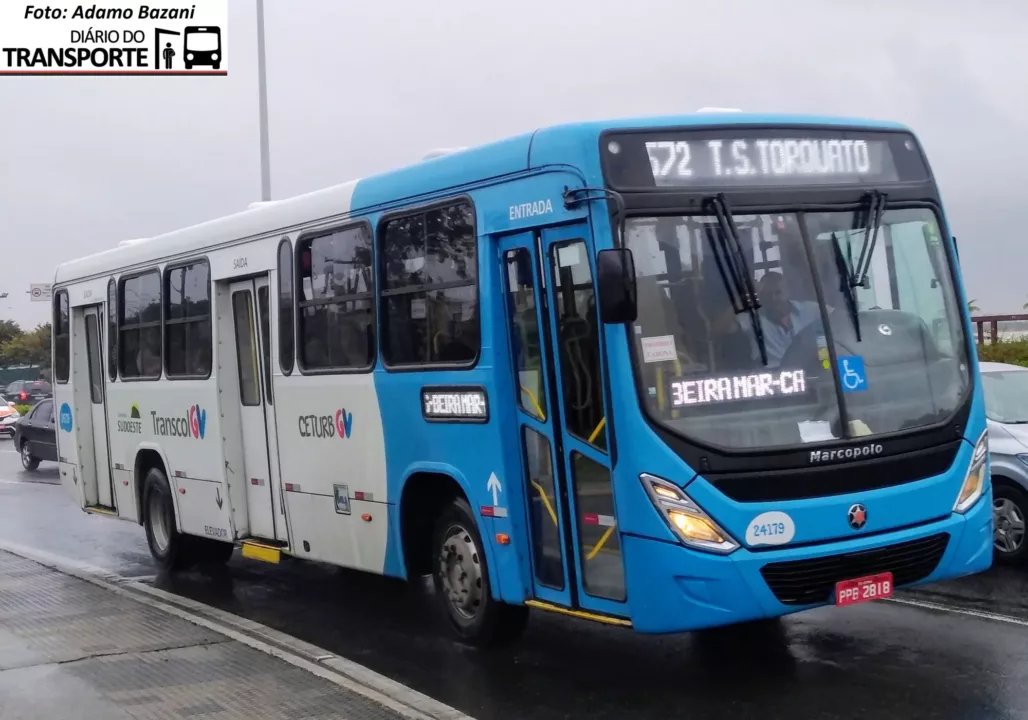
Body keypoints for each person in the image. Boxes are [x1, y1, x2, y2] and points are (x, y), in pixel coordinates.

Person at [749, 270, 821, 366]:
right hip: (774, 374)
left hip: (816, 371)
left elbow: (839, 318)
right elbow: (727, 326)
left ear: (788, 292)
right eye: (767, 294)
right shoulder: (753, 320)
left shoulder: (812, 310)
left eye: (778, 292)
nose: (774, 298)